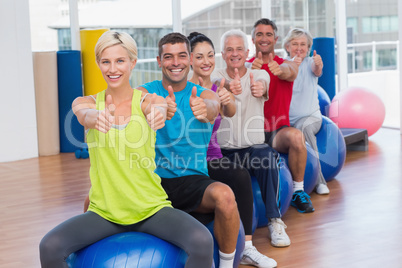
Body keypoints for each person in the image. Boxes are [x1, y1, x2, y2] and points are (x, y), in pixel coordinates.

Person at [39, 31, 214, 268]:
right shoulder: (87, 102)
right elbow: (83, 113)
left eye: (120, 61)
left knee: (202, 240)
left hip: (150, 208)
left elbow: (157, 106)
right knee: (49, 247)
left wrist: (158, 113)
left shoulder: (147, 100)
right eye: (106, 61)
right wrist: (95, 117)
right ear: (98, 63)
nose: (113, 69)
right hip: (105, 212)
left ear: (132, 62)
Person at [137, 32, 241, 268]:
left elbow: (214, 105)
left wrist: (206, 109)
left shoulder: (203, 94)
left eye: (181, 56)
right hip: (152, 182)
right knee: (93, 198)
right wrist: (158, 105)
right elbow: (140, 100)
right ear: (159, 60)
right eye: (168, 57)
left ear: (190, 59)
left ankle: (226, 265)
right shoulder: (146, 91)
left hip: (191, 181)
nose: (176, 62)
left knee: (225, 196)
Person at [188, 31, 277, 268]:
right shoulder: (182, 86)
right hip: (187, 160)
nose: (205, 61)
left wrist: (226, 99)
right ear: (189, 60)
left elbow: (230, 110)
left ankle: (247, 247)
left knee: (240, 175)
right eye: (199, 57)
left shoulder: (219, 85)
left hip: (212, 158)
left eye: (208, 56)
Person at [213, 28, 289, 251]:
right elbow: (214, 82)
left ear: (247, 51)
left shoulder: (260, 75)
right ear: (222, 53)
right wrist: (225, 86)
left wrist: (259, 88)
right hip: (224, 154)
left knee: (266, 154)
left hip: (252, 151)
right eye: (229, 49)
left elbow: (263, 86)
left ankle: (275, 221)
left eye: (239, 49)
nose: (234, 53)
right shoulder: (216, 75)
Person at [247, 18, 315, 214]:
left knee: (296, 136)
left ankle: (298, 192)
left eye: (268, 34)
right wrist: (249, 71)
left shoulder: (286, 64)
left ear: (275, 39)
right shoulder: (246, 66)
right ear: (253, 39)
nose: (264, 38)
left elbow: (290, 72)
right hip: (251, 133)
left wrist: (279, 70)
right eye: (259, 34)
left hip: (277, 132)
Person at [283, 28, 329, 194]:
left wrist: (318, 64)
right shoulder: (283, 65)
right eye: (295, 44)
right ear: (288, 46)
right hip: (288, 122)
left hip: (311, 118)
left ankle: (319, 182)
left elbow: (317, 70)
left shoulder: (310, 62)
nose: (299, 47)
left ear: (309, 47)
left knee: (304, 128)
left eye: (303, 44)